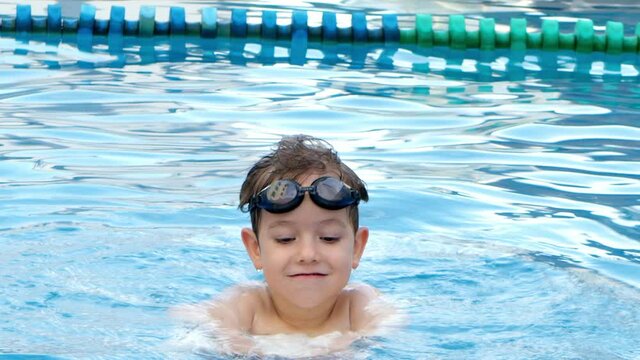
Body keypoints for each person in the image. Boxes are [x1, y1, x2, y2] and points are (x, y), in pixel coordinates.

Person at [174, 134, 388, 356]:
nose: (308, 255)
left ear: (357, 247)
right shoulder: (247, 304)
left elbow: (388, 326)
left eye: (329, 238)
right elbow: (194, 320)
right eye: (285, 239)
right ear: (255, 249)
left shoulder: (359, 305)